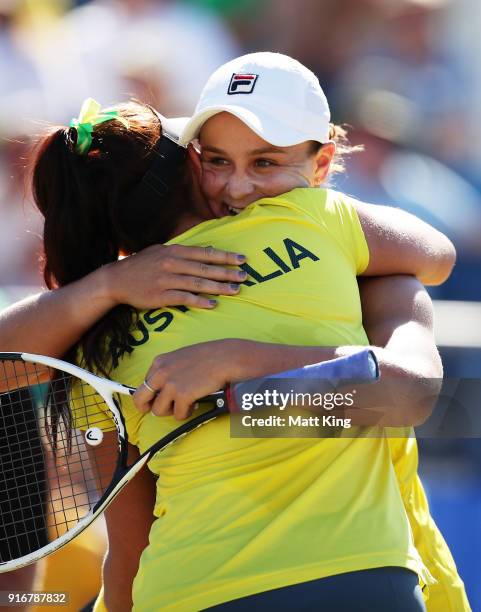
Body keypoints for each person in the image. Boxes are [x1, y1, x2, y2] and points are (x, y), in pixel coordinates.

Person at [0, 55, 469, 611]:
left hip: (183, 593)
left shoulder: (88, 342)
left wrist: (111, 292)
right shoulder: (310, 218)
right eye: (215, 160)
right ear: (188, 172)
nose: (238, 185)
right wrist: (254, 381)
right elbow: (427, 305)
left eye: (264, 162)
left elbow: (130, 552)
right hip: (355, 575)